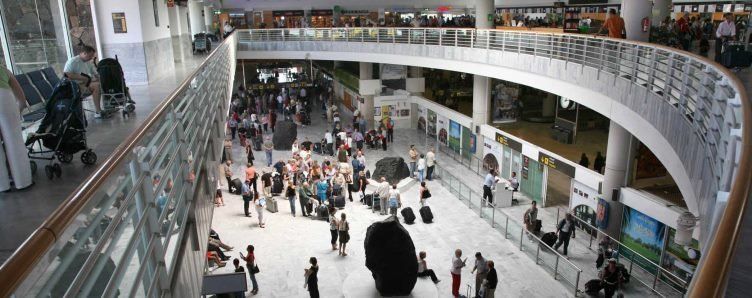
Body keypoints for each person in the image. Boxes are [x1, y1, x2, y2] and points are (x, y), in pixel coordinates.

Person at [0, 67, 32, 192]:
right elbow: (21, 99)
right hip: (4, 98)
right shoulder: (2, 69)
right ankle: (23, 182)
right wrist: (18, 110)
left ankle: (2, 186)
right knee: (14, 141)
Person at [63, 45, 104, 118]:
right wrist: (84, 78)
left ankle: (106, 106)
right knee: (97, 86)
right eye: (90, 56)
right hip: (75, 86)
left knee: (100, 84)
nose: (91, 58)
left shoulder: (88, 62)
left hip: (86, 84)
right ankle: (98, 111)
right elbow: (67, 75)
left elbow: (95, 73)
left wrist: (100, 78)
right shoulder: (73, 61)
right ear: (84, 53)